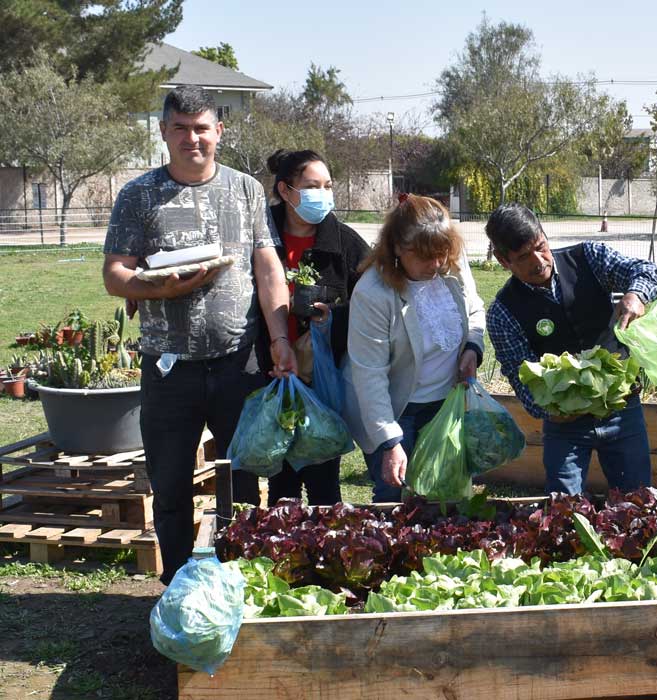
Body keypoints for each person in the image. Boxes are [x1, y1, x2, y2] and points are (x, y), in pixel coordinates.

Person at [102, 85, 297, 584]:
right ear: (165, 132)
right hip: (169, 368)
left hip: (239, 363)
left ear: (219, 132)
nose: (193, 138)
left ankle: (236, 580)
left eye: (202, 128)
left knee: (244, 476)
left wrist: (278, 339)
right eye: (182, 129)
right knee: (170, 486)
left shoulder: (246, 190)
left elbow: (268, 267)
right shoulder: (138, 195)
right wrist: (160, 289)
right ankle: (178, 588)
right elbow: (115, 275)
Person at [484, 203, 657, 495]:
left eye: (540, 246)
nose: (539, 261)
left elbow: (646, 271)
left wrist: (636, 294)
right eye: (523, 257)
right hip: (565, 427)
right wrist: (550, 411)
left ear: (544, 234)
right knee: (564, 509)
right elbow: (521, 378)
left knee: (637, 500)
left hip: (621, 410)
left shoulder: (588, 257)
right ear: (503, 261)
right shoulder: (503, 313)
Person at [342, 194, 485, 502]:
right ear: (396, 248)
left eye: (441, 253)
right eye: (423, 256)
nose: (435, 264)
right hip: (396, 411)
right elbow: (370, 376)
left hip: (446, 406)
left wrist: (472, 347)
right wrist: (390, 442)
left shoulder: (452, 266)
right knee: (396, 501)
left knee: (448, 496)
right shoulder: (373, 293)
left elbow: (474, 309)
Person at [260, 149, 370, 507]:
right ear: (286, 190)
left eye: (327, 186)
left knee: (324, 483)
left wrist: (334, 317)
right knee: (281, 485)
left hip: (322, 381)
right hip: (270, 378)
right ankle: (284, 553)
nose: (322, 194)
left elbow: (372, 303)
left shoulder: (345, 243)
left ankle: (326, 554)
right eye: (311, 186)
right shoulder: (261, 234)